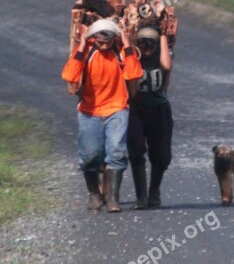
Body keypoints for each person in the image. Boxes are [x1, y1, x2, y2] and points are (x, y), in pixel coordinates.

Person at [61, 18, 142, 212]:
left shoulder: (120, 51)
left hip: (117, 108)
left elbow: (133, 74)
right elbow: (70, 76)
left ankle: (113, 199)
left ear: (114, 38)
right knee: (90, 156)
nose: (104, 45)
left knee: (117, 152)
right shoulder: (87, 51)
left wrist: (127, 43)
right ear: (93, 39)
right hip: (90, 111)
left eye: (107, 42)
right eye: (99, 42)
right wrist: (81, 47)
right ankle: (94, 194)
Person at [128, 25, 173, 209]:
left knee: (161, 155)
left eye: (151, 45)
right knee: (136, 151)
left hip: (158, 108)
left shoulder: (162, 55)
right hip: (135, 109)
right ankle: (141, 197)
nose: (147, 49)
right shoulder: (133, 55)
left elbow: (166, 65)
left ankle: (154, 190)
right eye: (143, 44)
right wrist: (130, 40)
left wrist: (162, 36)